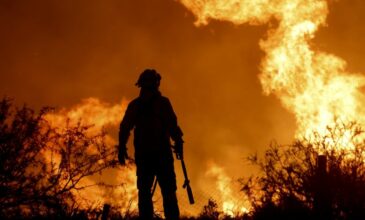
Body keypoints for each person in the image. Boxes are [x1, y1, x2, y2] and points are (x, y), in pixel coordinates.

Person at [118, 69, 183, 219]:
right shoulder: (161, 103)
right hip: (159, 156)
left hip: (148, 157)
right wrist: (178, 143)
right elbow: (173, 126)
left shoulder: (137, 105)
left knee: (148, 194)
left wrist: (122, 148)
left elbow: (125, 128)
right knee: (167, 194)